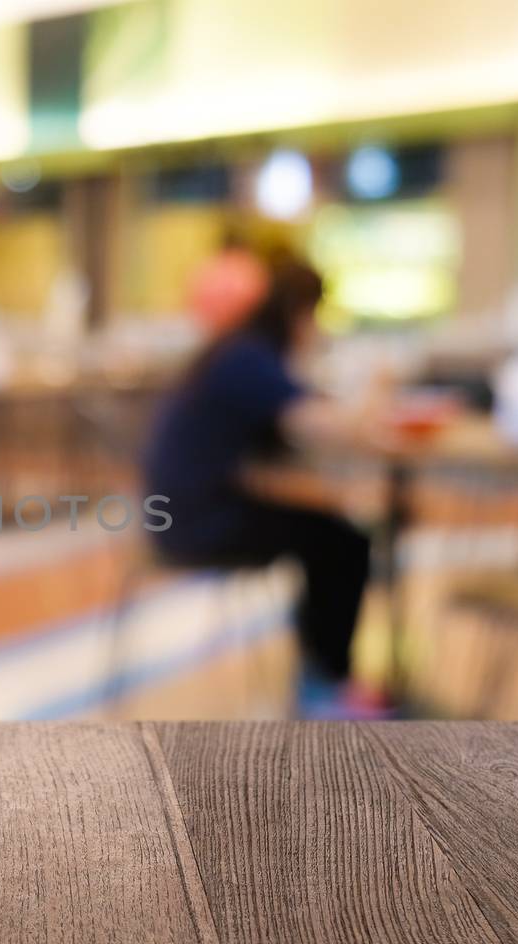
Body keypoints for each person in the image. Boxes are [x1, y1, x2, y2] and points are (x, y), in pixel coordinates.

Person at [143, 250, 390, 719]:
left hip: (185, 510)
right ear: (299, 312)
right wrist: (380, 385)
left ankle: (322, 679)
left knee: (331, 532)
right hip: (198, 522)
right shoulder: (248, 359)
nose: (319, 329)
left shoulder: (238, 351)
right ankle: (324, 686)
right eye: (317, 316)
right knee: (341, 541)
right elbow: (327, 426)